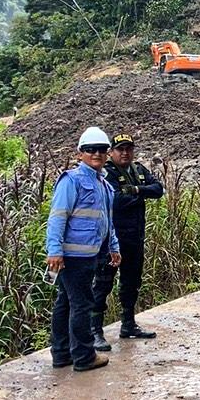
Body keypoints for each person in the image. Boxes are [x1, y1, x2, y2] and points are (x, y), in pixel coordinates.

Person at [47, 127, 119, 372]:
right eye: (90, 150)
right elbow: (58, 217)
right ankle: (84, 356)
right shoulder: (72, 180)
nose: (96, 154)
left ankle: (61, 354)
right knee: (82, 304)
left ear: (107, 153)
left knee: (66, 302)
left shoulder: (104, 185)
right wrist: (54, 251)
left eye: (101, 149)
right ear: (80, 153)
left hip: (90, 253)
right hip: (73, 256)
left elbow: (106, 220)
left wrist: (113, 246)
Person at [91, 133, 164, 351]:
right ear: (111, 152)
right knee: (103, 285)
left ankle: (128, 324)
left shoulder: (138, 170)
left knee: (131, 283)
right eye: (120, 149)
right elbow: (116, 201)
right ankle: (94, 331)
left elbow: (158, 189)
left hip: (135, 237)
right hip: (112, 240)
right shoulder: (107, 172)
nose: (125, 153)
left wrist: (135, 190)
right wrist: (140, 194)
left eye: (128, 149)